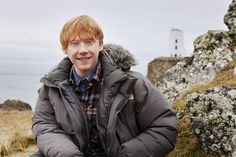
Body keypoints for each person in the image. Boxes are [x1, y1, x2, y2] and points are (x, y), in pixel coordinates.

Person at [30, 15, 178, 157]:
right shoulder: (52, 87)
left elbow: (164, 126)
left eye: (89, 42)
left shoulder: (133, 82)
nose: (82, 50)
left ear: (100, 44)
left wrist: (126, 155)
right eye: (74, 44)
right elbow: (44, 126)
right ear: (65, 49)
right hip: (71, 152)